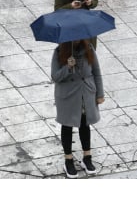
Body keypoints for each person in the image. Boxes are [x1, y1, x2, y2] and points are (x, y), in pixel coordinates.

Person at [51, 39, 104, 178]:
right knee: (67, 126)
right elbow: (55, 77)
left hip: (86, 94)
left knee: (85, 124)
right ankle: (68, 159)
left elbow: (96, 72)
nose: (77, 39)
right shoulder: (59, 51)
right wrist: (68, 67)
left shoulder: (89, 49)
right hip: (68, 96)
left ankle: (87, 157)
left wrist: (100, 94)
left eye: (80, 37)